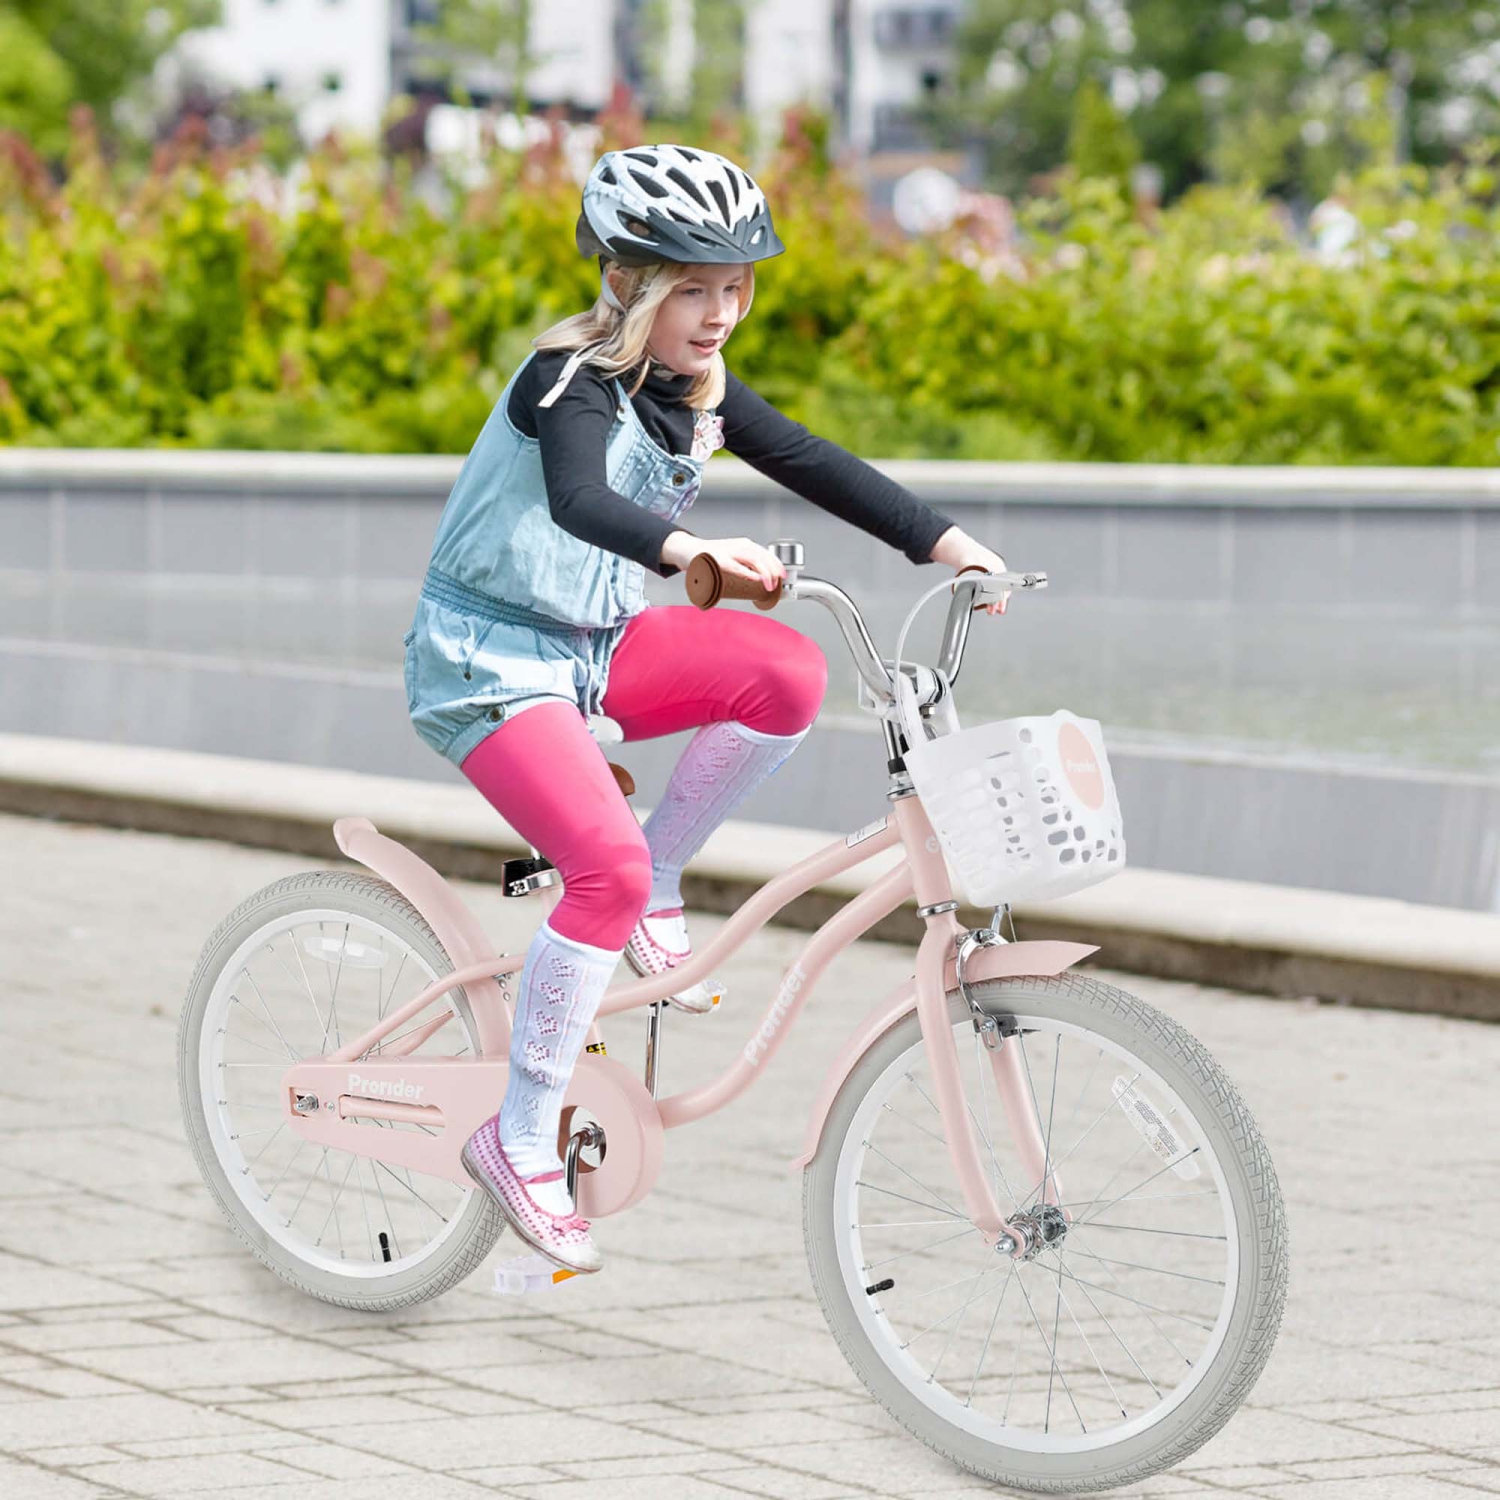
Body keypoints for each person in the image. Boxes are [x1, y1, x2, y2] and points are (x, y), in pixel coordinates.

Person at [403, 142, 1008, 1274]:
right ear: (627, 282)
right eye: (692, 287)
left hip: (595, 647)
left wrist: (950, 544)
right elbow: (580, 497)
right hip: (488, 661)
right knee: (601, 872)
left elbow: (816, 460)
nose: (720, 311)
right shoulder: (566, 381)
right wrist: (689, 545)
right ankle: (520, 1135)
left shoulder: (697, 390)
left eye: (734, 286)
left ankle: (658, 872)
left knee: (785, 675)